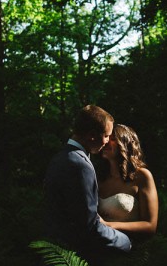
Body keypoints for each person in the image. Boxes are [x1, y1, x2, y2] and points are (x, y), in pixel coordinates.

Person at [44, 105, 132, 262]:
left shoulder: (59, 157)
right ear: (92, 135)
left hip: (58, 250)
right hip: (77, 255)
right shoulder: (80, 165)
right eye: (106, 136)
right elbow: (89, 226)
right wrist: (124, 241)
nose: (107, 141)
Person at [97, 124, 158, 237]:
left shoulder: (142, 176)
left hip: (129, 248)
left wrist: (107, 225)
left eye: (113, 139)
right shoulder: (98, 177)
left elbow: (150, 226)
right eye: (106, 137)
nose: (105, 141)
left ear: (125, 143)